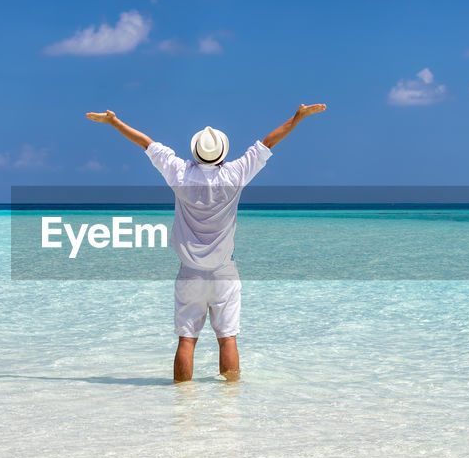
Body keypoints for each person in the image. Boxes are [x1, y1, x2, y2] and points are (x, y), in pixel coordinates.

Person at [85, 103, 327, 382]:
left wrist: (114, 122)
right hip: (225, 272)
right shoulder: (235, 174)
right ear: (222, 153)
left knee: (186, 340)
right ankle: (229, 405)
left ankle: (182, 407)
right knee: (227, 339)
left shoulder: (178, 173)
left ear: (196, 152)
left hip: (189, 272)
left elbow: (146, 143)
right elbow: (269, 142)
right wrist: (297, 118)